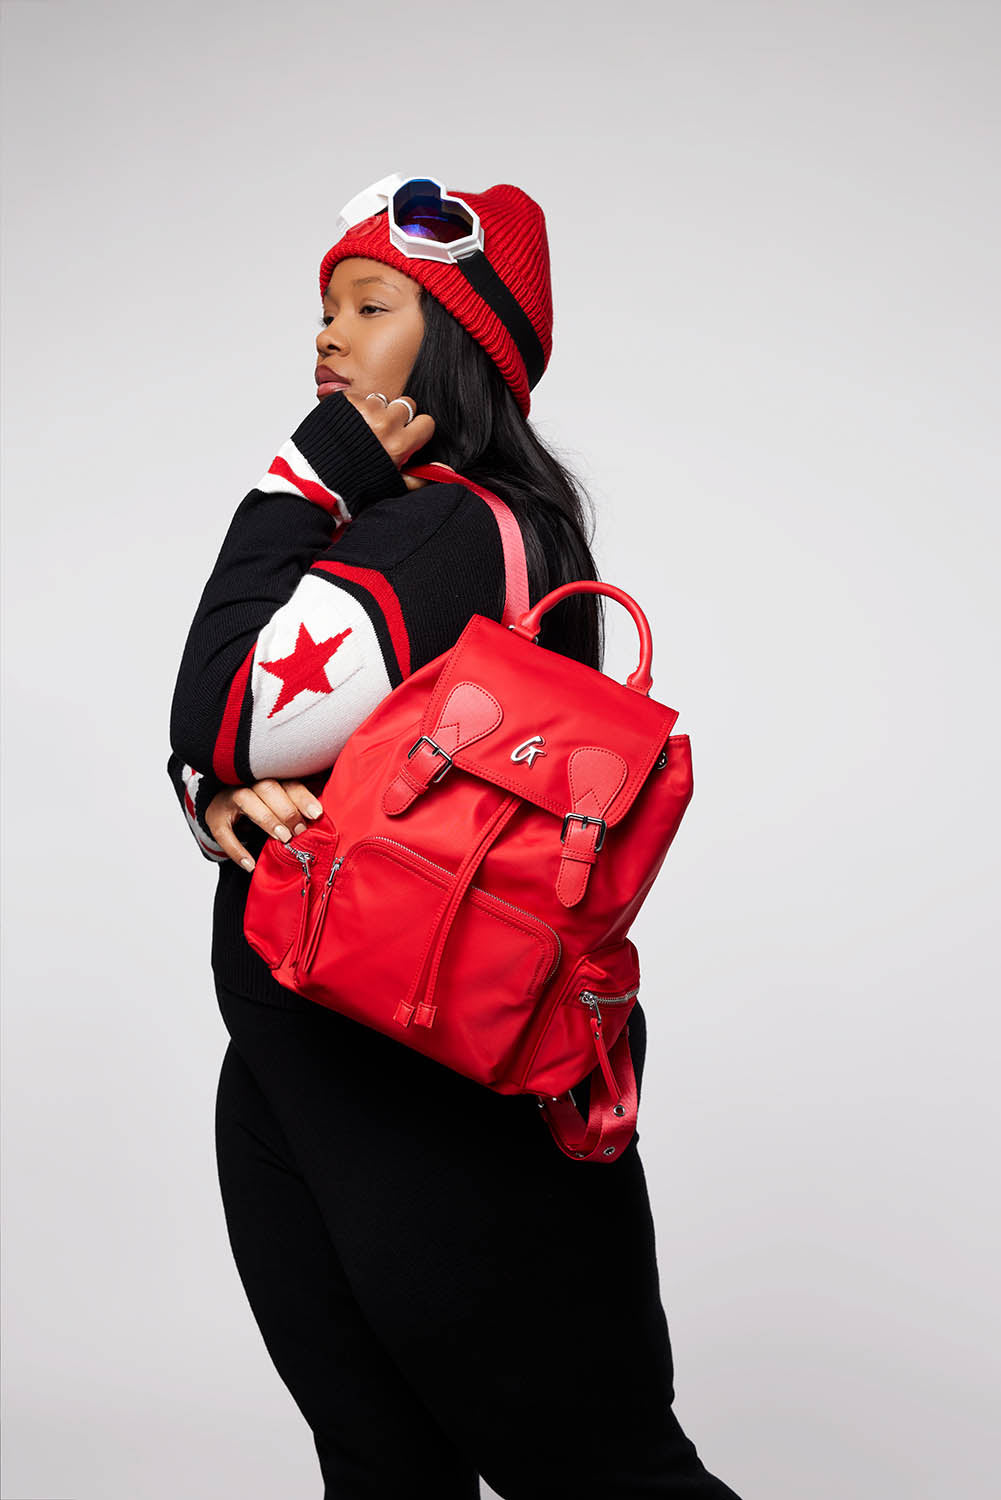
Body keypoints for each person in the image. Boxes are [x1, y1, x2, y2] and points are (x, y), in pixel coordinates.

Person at [167, 174, 743, 1500]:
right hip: (317, 1062)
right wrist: (212, 794)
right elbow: (263, 759)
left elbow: (219, 704)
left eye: (369, 306)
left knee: (585, 1465)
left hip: (414, 1081)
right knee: (388, 1459)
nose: (326, 335)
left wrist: (294, 485)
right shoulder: (448, 532)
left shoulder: (434, 530)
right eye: (321, 310)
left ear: (463, 352)